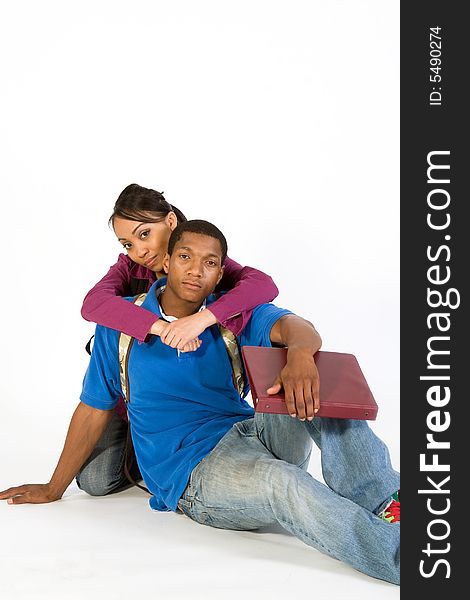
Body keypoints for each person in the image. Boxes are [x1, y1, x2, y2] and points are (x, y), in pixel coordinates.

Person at [0, 220, 400, 585]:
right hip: (193, 470)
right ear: (167, 260)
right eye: (186, 258)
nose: (195, 270)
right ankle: (407, 561)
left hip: (250, 434)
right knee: (286, 483)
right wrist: (55, 487)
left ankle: (387, 501)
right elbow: (92, 408)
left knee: (315, 381)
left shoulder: (228, 315)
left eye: (209, 262)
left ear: (220, 273)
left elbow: (298, 328)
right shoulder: (122, 323)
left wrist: (298, 356)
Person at [81, 183, 280, 493]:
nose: (139, 251)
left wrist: (201, 320)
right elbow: (93, 304)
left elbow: (263, 285)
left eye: (144, 234)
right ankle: (152, 450)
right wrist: (161, 328)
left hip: (200, 401)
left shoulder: (202, 260)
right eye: (127, 243)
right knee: (94, 481)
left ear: (170, 222)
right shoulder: (130, 268)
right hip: (137, 398)